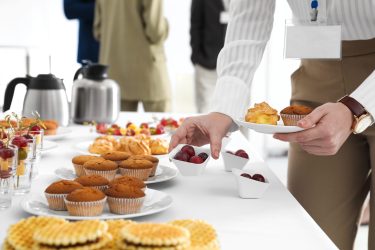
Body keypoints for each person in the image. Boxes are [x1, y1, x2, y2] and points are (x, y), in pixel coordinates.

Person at [170, 1, 375, 249]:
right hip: (317, 77)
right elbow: (248, 16)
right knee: (310, 237)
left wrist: (357, 106)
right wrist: (225, 107)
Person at [93, 0, 171, 112]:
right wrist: (166, 26)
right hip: (148, 70)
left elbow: (98, 31)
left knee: (119, 127)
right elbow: (155, 32)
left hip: (114, 69)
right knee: (163, 125)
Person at [190, 0, 227, 113]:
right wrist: (197, 58)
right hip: (207, 62)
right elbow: (195, 25)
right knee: (205, 107)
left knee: (237, 109)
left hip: (233, 63)